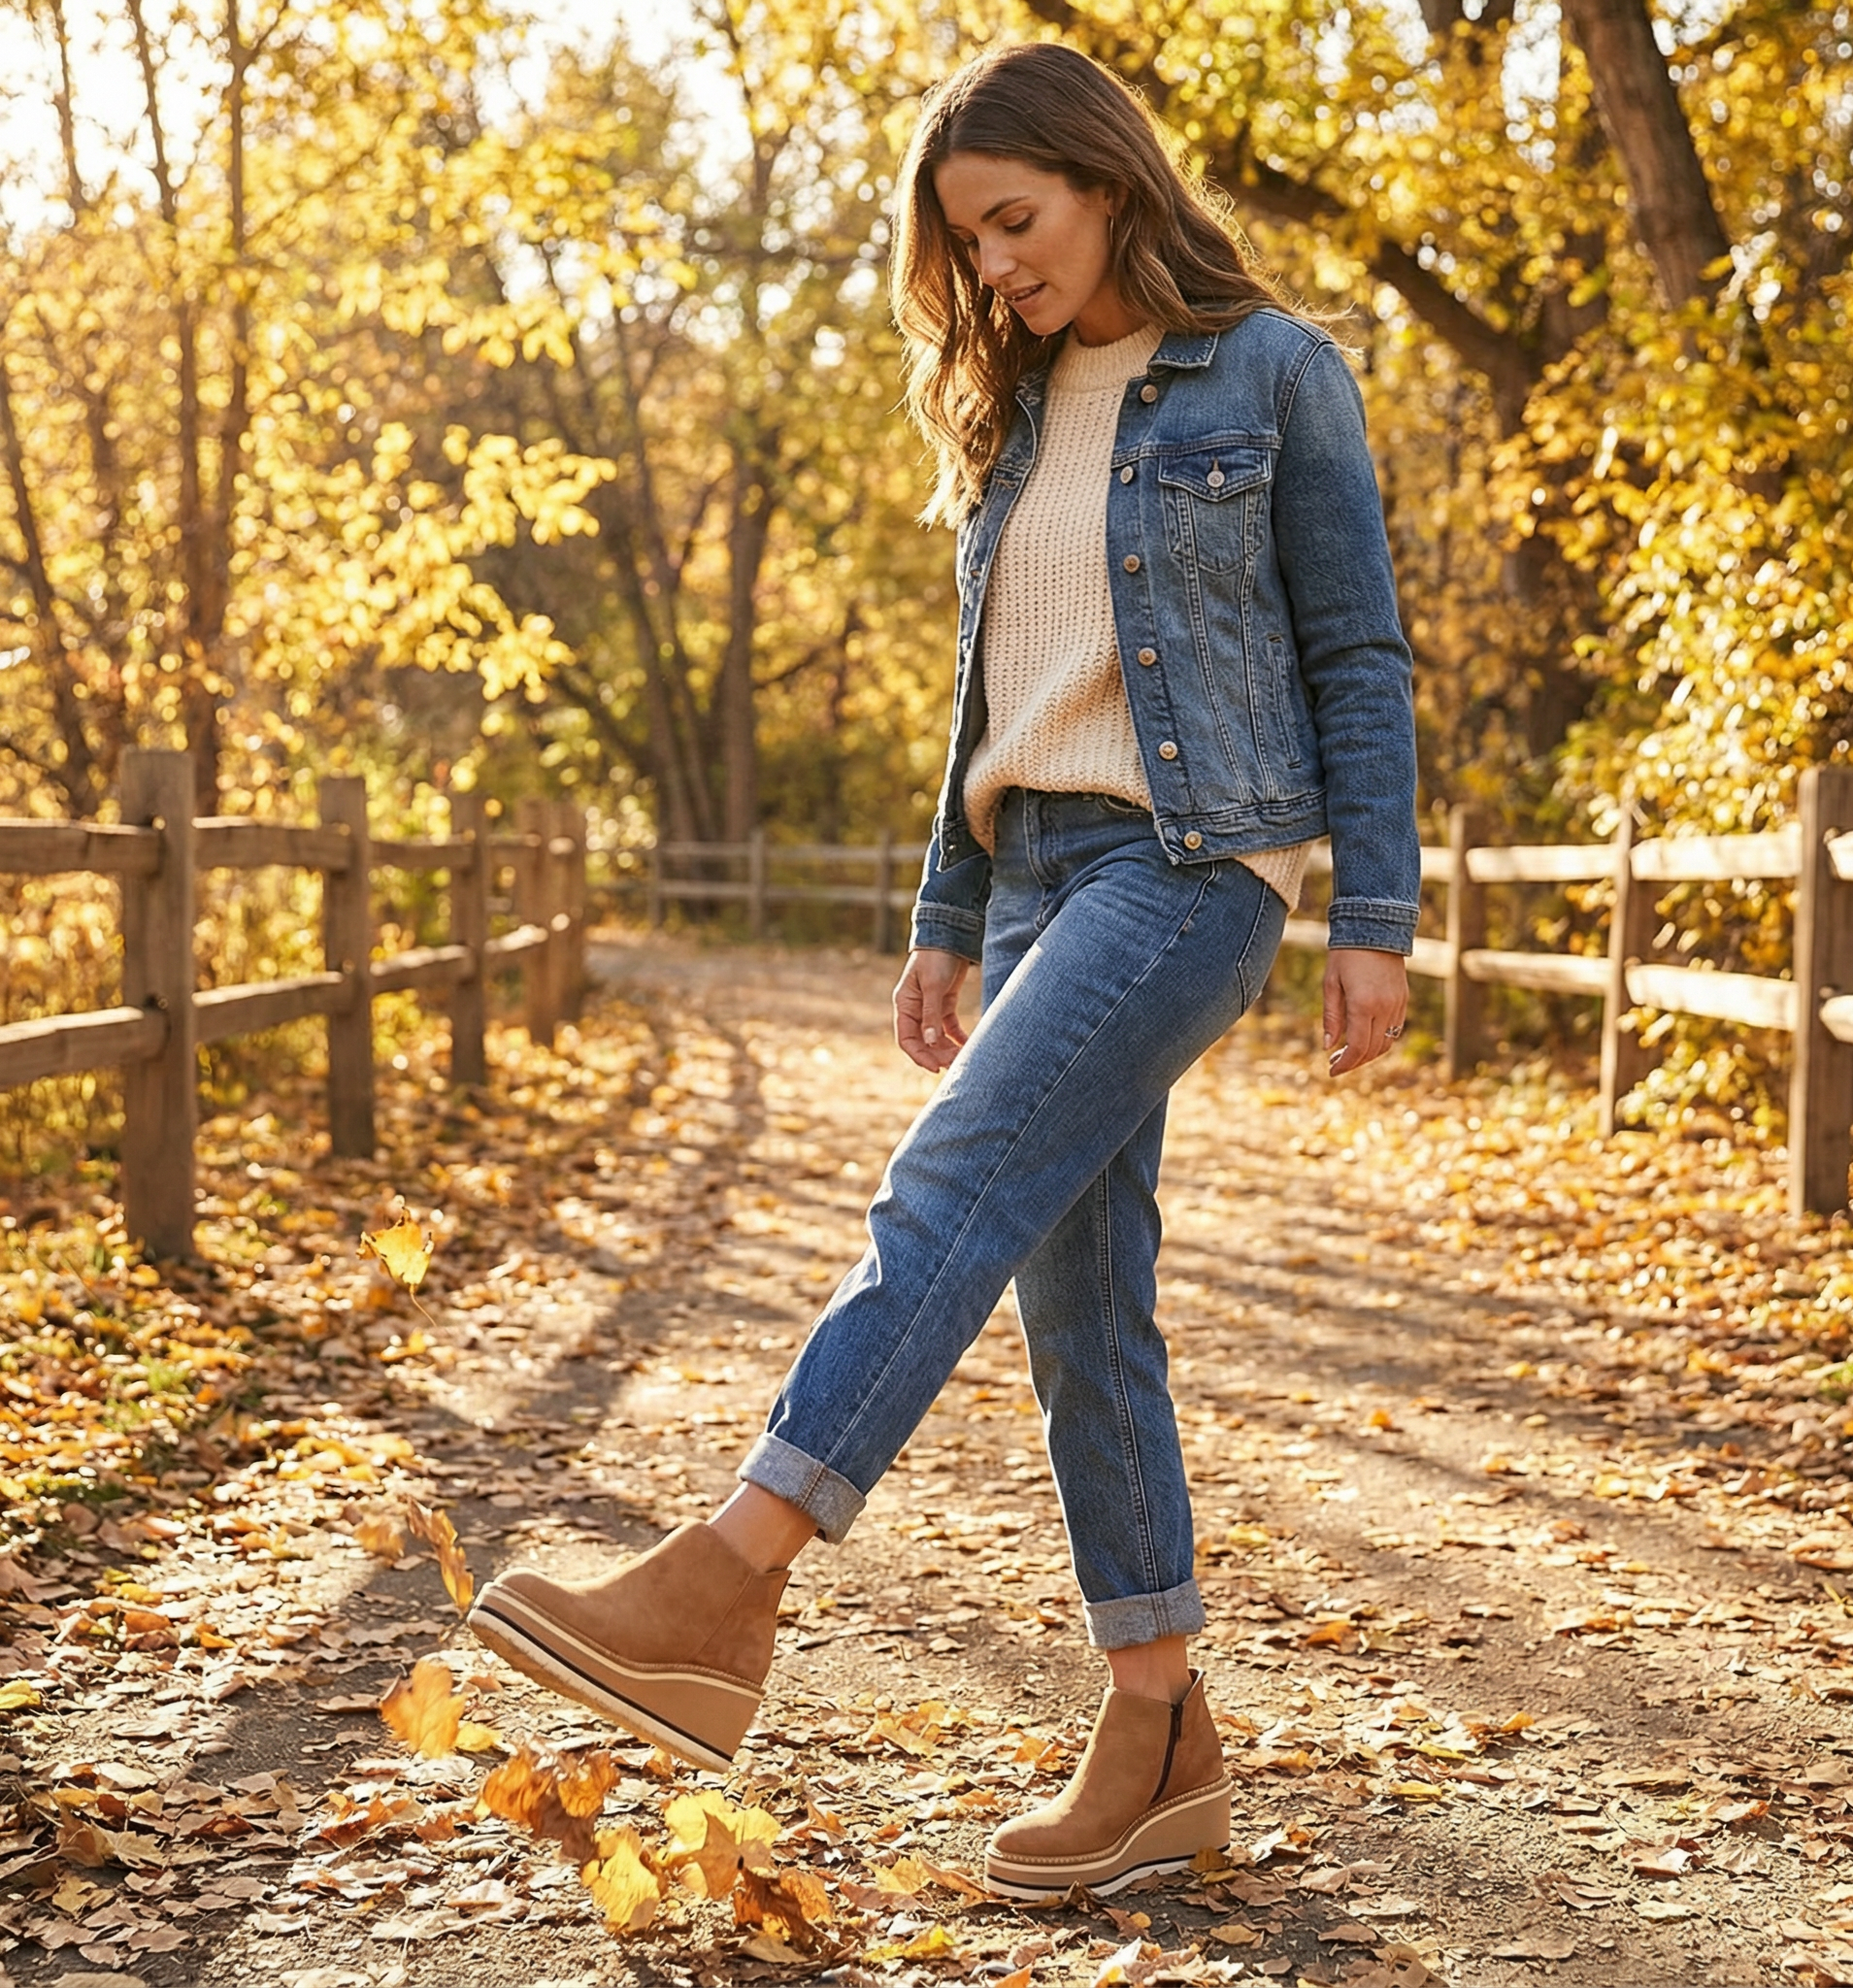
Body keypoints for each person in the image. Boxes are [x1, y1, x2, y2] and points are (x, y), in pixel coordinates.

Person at [469, 40, 1419, 1902]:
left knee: (954, 1180)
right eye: (968, 243)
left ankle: (725, 1582)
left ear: (1108, 179)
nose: (993, 267)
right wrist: (938, 910)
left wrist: (1371, 916)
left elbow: (1359, 657)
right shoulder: (1014, 417)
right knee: (1084, 1315)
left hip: (1188, 864)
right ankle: (1158, 1737)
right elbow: (989, 698)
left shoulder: (1278, 373)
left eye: (1016, 221)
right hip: (1033, 877)